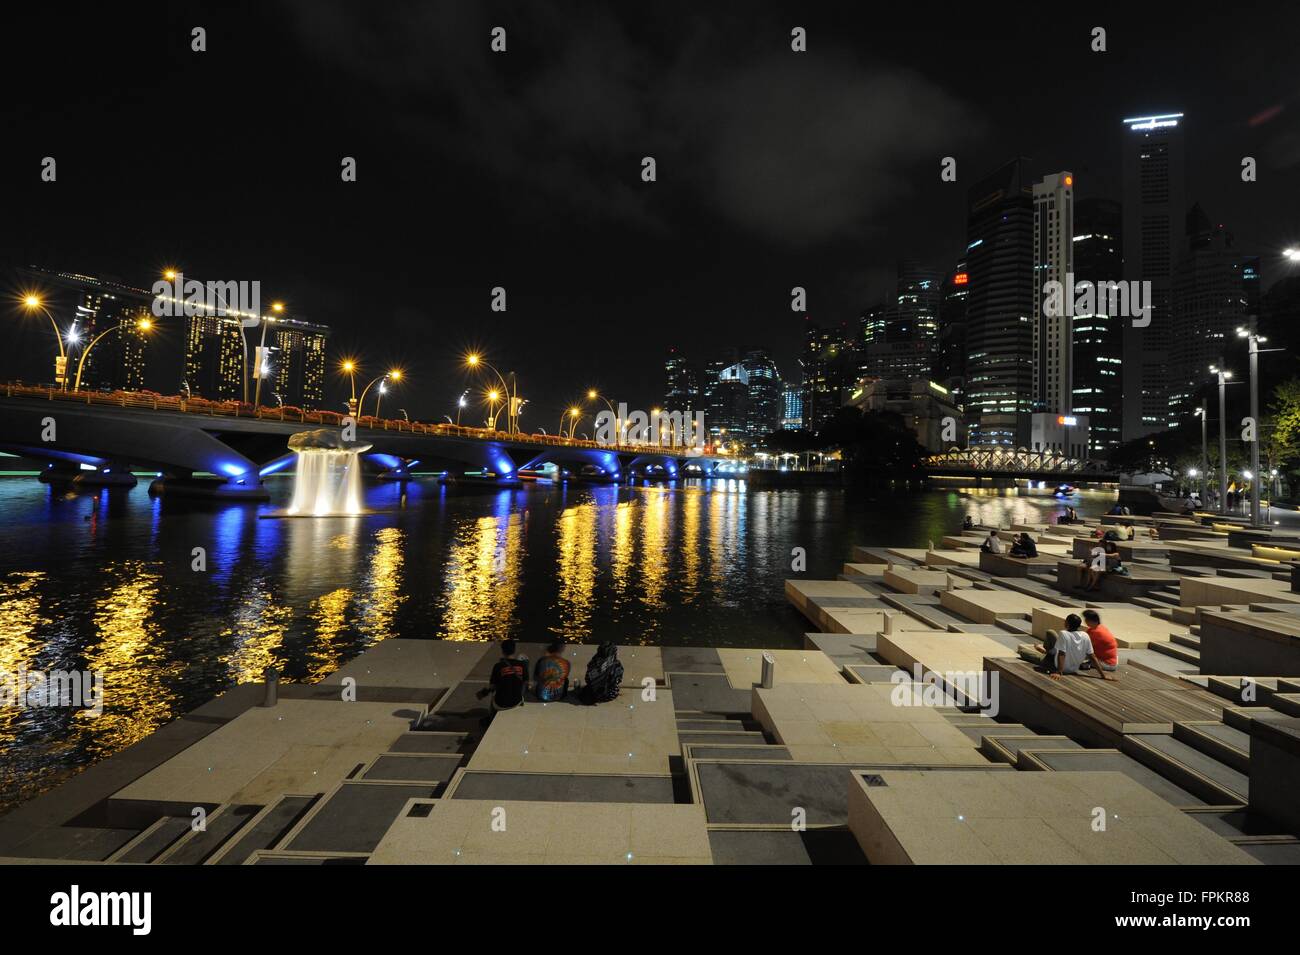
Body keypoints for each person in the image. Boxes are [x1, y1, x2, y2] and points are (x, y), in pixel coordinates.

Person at [1043, 615, 1108, 680]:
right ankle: (1044, 650)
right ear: (1079, 625)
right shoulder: (1085, 635)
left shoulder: (1063, 633)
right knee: (1053, 649)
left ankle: (1042, 652)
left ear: (1067, 623)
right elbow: (1092, 656)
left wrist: (1059, 672)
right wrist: (1103, 675)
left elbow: (1062, 654)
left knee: (1050, 634)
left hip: (1057, 666)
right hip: (1074, 669)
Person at [477, 640, 529, 715]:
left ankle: (491, 716)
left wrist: (484, 692)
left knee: (494, 694)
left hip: (501, 704)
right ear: (514, 650)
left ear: (502, 651)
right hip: (516, 702)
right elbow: (526, 682)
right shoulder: (522, 665)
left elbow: (492, 686)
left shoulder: (498, 666)